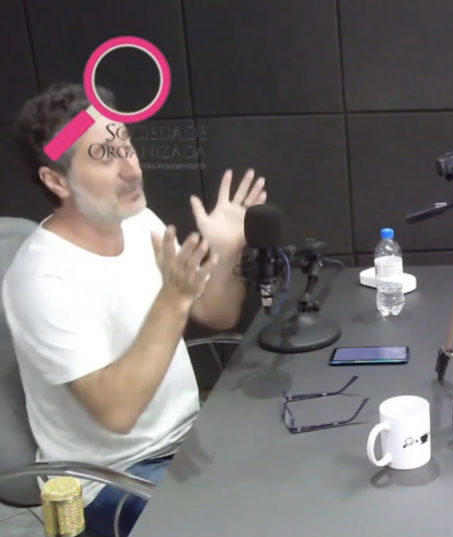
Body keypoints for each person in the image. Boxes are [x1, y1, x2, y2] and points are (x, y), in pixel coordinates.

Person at [2, 83, 268, 536]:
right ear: (57, 180)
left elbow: (217, 314)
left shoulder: (138, 221)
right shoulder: (42, 279)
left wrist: (226, 255)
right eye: (104, 155)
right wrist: (173, 299)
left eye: (125, 145)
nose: (131, 168)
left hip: (187, 440)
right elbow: (117, 413)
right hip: (111, 481)